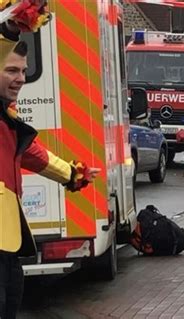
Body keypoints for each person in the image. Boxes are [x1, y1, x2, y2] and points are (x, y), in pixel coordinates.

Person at [0, 13, 99, 318]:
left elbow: (32, 154)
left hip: (6, 243)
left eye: (24, 71)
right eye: (11, 70)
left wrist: (72, 174)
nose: (20, 79)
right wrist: (11, 27)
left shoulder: (7, 119)